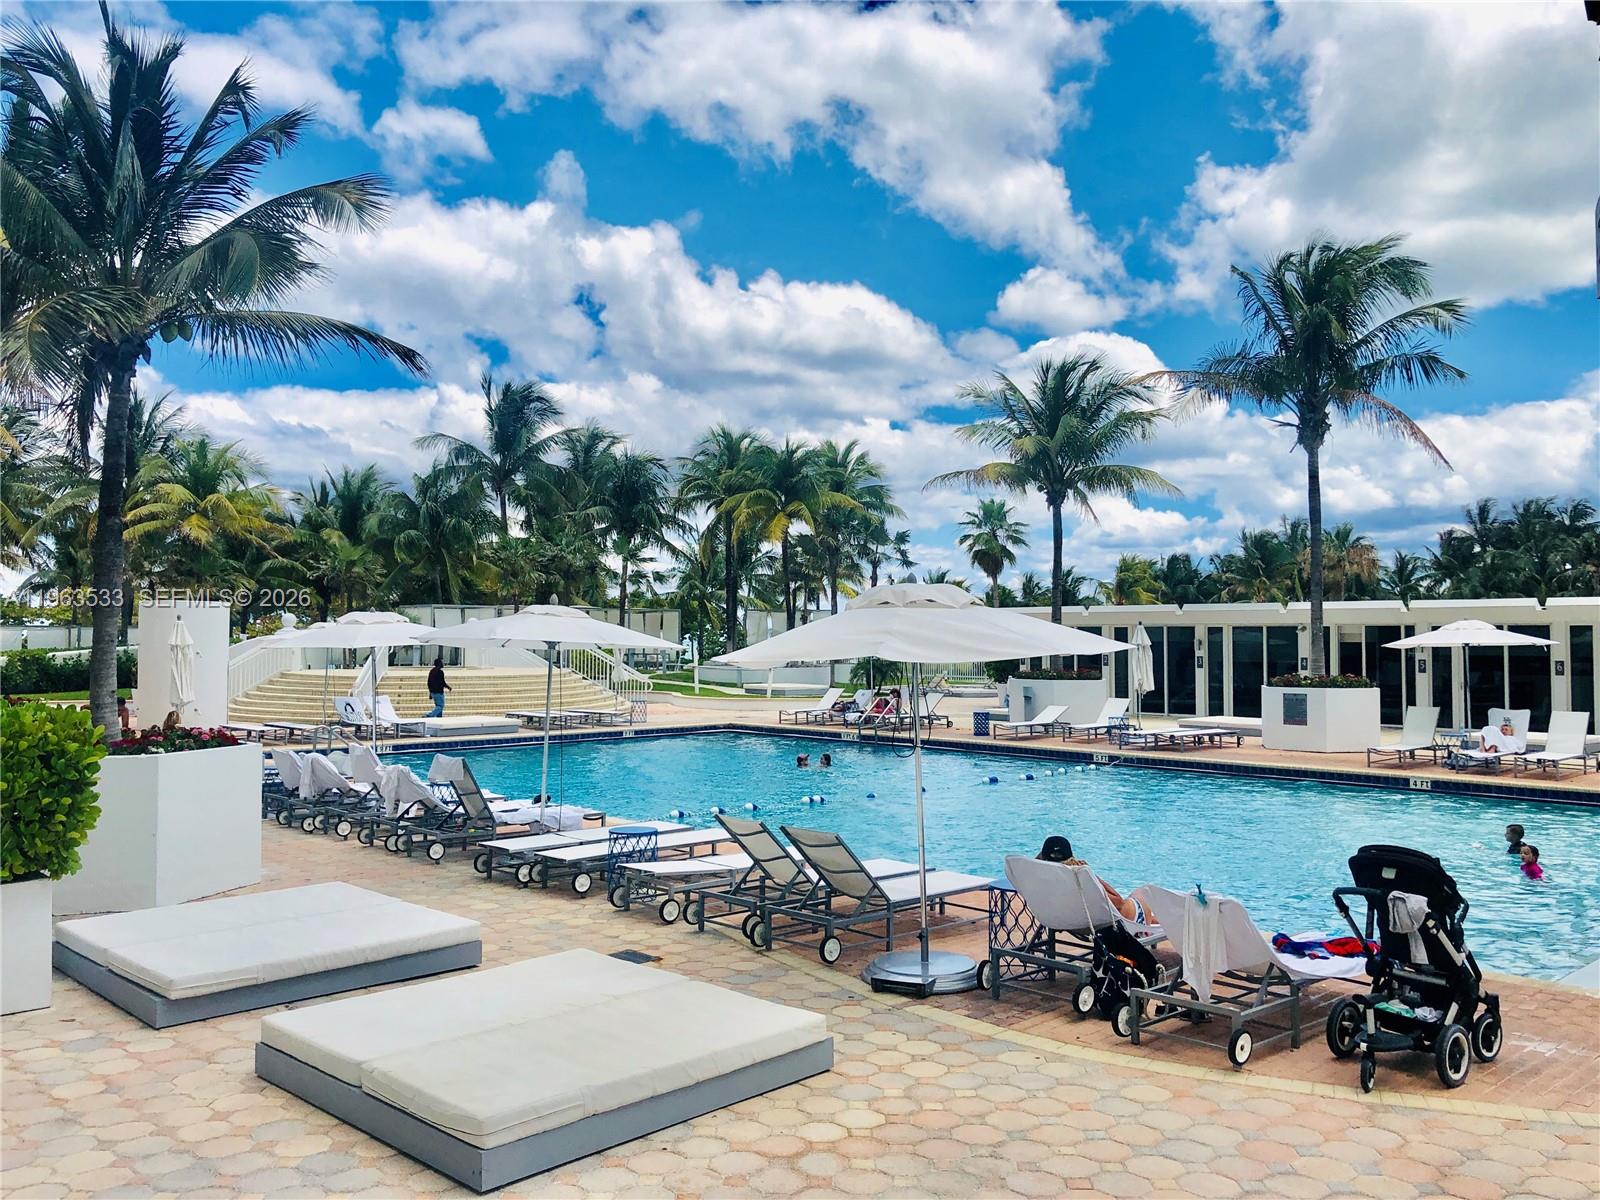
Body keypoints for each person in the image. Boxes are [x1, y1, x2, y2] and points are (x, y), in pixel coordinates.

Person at [1064, 856, 1156, 925]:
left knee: (1152, 916)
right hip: (1134, 920)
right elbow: (1119, 903)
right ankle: (1159, 922)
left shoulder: (1057, 884)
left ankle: (1156, 921)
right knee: (1145, 891)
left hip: (1086, 924)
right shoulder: (1086, 883)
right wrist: (1093, 876)